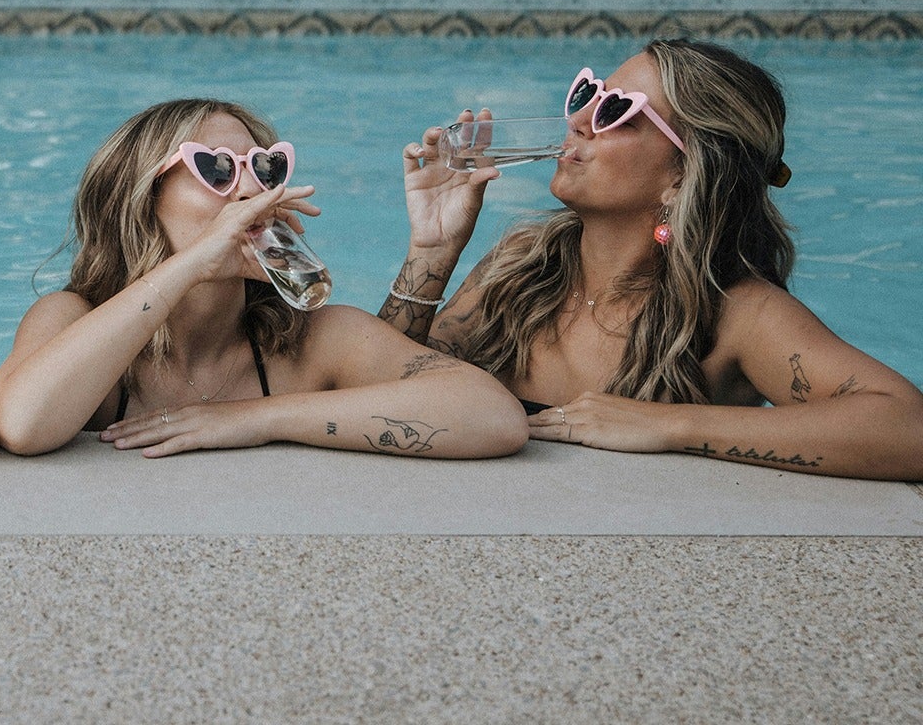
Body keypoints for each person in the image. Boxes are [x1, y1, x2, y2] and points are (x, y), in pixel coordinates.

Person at [384, 37, 923, 479]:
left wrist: (669, 426)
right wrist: (432, 250)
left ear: (683, 175)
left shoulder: (737, 314)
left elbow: (907, 428)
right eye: (586, 94)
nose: (578, 120)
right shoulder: (522, 267)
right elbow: (384, 383)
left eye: (618, 112)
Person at [0, 98, 527, 459]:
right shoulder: (71, 317)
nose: (250, 191)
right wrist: (190, 267)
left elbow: (493, 416)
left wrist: (253, 419)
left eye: (265, 168)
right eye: (218, 169)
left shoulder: (314, 339)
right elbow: (23, 423)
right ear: (141, 199)